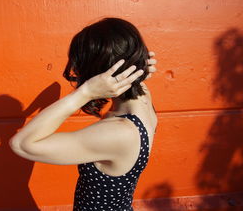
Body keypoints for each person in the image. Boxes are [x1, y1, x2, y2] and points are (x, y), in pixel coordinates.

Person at [10, 17, 158, 211]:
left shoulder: (118, 133)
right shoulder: (144, 99)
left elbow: (21, 144)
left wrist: (86, 92)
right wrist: (137, 71)